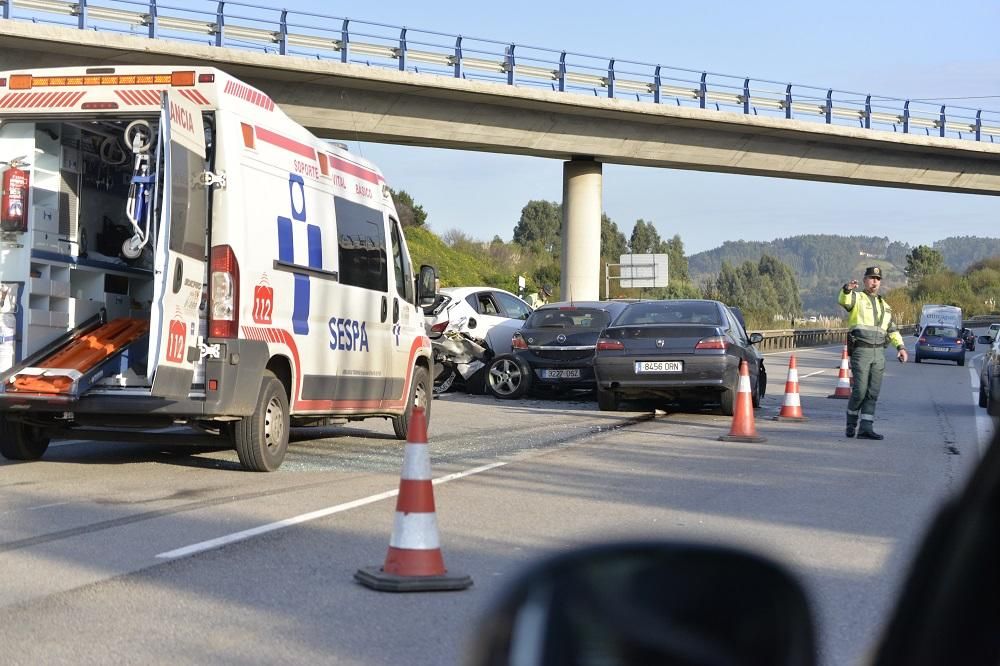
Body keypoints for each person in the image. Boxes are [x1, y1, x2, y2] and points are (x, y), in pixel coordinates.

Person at [838, 266, 908, 440]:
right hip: (861, 350)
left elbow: (891, 330)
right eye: (871, 278)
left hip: (879, 353)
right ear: (864, 281)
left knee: (872, 393)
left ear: (880, 282)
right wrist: (847, 289)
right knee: (860, 391)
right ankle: (851, 423)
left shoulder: (886, 306)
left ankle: (866, 428)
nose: (874, 281)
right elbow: (844, 301)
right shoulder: (857, 298)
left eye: (877, 278)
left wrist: (901, 348)